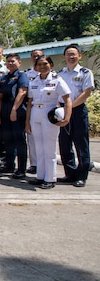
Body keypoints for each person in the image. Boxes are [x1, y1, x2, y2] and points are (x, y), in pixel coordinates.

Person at [26, 56, 72, 189]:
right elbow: (29, 103)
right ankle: (40, 176)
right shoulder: (33, 81)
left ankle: (50, 178)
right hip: (36, 113)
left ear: (51, 65)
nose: (42, 66)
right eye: (39, 64)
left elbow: (67, 99)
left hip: (50, 113)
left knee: (49, 148)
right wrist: (27, 122)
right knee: (38, 147)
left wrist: (67, 118)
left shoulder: (57, 80)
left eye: (45, 64)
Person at [57, 44, 95, 187]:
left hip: (78, 111)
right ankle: (70, 174)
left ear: (80, 56)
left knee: (81, 144)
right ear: (64, 57)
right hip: (63, 111)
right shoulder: (60, 74)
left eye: (74, 54)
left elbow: (86, 92)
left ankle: (81, 176)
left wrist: (70, 106)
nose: (71, 57)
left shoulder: (85, 73)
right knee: (64, 143)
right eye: (68, 54)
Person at [0, 53, 28, 179]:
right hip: (5, 111)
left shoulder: (22, 75)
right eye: (8, 61)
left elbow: (22, 92)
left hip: (17, 112)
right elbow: (0, 97)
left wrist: (14, 110)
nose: (10, 63)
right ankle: (9, 165)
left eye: (13, 61)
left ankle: (21, 169)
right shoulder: (4, 78)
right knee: (8, 140)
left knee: (19, 140)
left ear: (19, 63)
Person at [25, 49, 44, 175]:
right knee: (31, 138)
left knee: (45, 139)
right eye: (34, 56)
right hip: (31, 107)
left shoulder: (52, 75)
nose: (36, 58)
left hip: (47, 109)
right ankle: (34, 164)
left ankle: (44, 166)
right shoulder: (27, 74)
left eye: (39, 56)